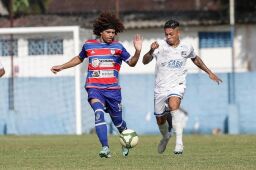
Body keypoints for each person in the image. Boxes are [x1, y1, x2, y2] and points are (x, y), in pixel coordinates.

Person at [51, 12, 142, 158]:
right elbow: (79, 59)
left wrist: (138, 51)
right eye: (108, 32)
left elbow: (132, 63)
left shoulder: (118, 47)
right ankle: (105, 148)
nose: (111, 35)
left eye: (113, 32)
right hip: (94, 88)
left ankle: (126, 140)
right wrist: (62, 66)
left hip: (112, 90)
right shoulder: (88, 45)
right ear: (101, 31)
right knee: (98, 113)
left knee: (118, 122)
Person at [142, 20, 222, 155]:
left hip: (177, 85)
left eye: (171, 34)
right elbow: (144, 61)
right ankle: (166, 136)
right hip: (160, 88)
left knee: (174, 106)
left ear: (178, 32)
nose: (168, 37)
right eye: (166, 34)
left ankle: (179, 143)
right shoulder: (159, 46)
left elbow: (195, 58)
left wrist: (209, 72)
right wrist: (150, 50)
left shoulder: (186, 47)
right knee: (160, 119)